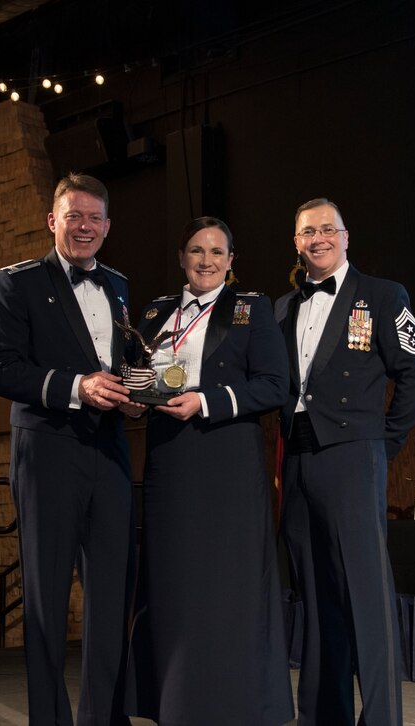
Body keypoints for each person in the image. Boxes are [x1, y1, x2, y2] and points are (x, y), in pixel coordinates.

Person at [123, 216, 294, 725]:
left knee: (227, 591)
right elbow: (137, 377)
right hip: (170, 467)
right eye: (196, 251)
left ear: (231, 261)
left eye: (217, 252)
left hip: (228, 468)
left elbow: (274, 386)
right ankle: (176, 703)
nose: (206, 260)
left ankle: (234, 704)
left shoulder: (251, 309)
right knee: (175, 588)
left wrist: (207, 400)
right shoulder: (154, 313)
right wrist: (132, 400)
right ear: (181, 258)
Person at [0, 172, 136, 726]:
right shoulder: (16, 282)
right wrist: (78, 387)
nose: (85, 226)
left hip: (109, 451)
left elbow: (120, 367)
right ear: (53, 221)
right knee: (46, 601)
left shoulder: (118, 285)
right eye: (75, 216)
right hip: (46, 452)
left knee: (112, 593)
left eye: (95, 217)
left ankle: (104, 717)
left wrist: (133, 394)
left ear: (108, 226)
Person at [274, 198, 415, 726]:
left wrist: (383, 444)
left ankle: (383, 719)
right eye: (306, 232)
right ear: (296, 243)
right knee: (316, 598)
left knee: (367, 597)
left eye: (326, 228)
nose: (317, 238)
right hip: (296, 457)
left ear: (346, 237)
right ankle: (323, 716)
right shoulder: (282, 307)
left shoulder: (384, 296)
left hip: (352, 455)